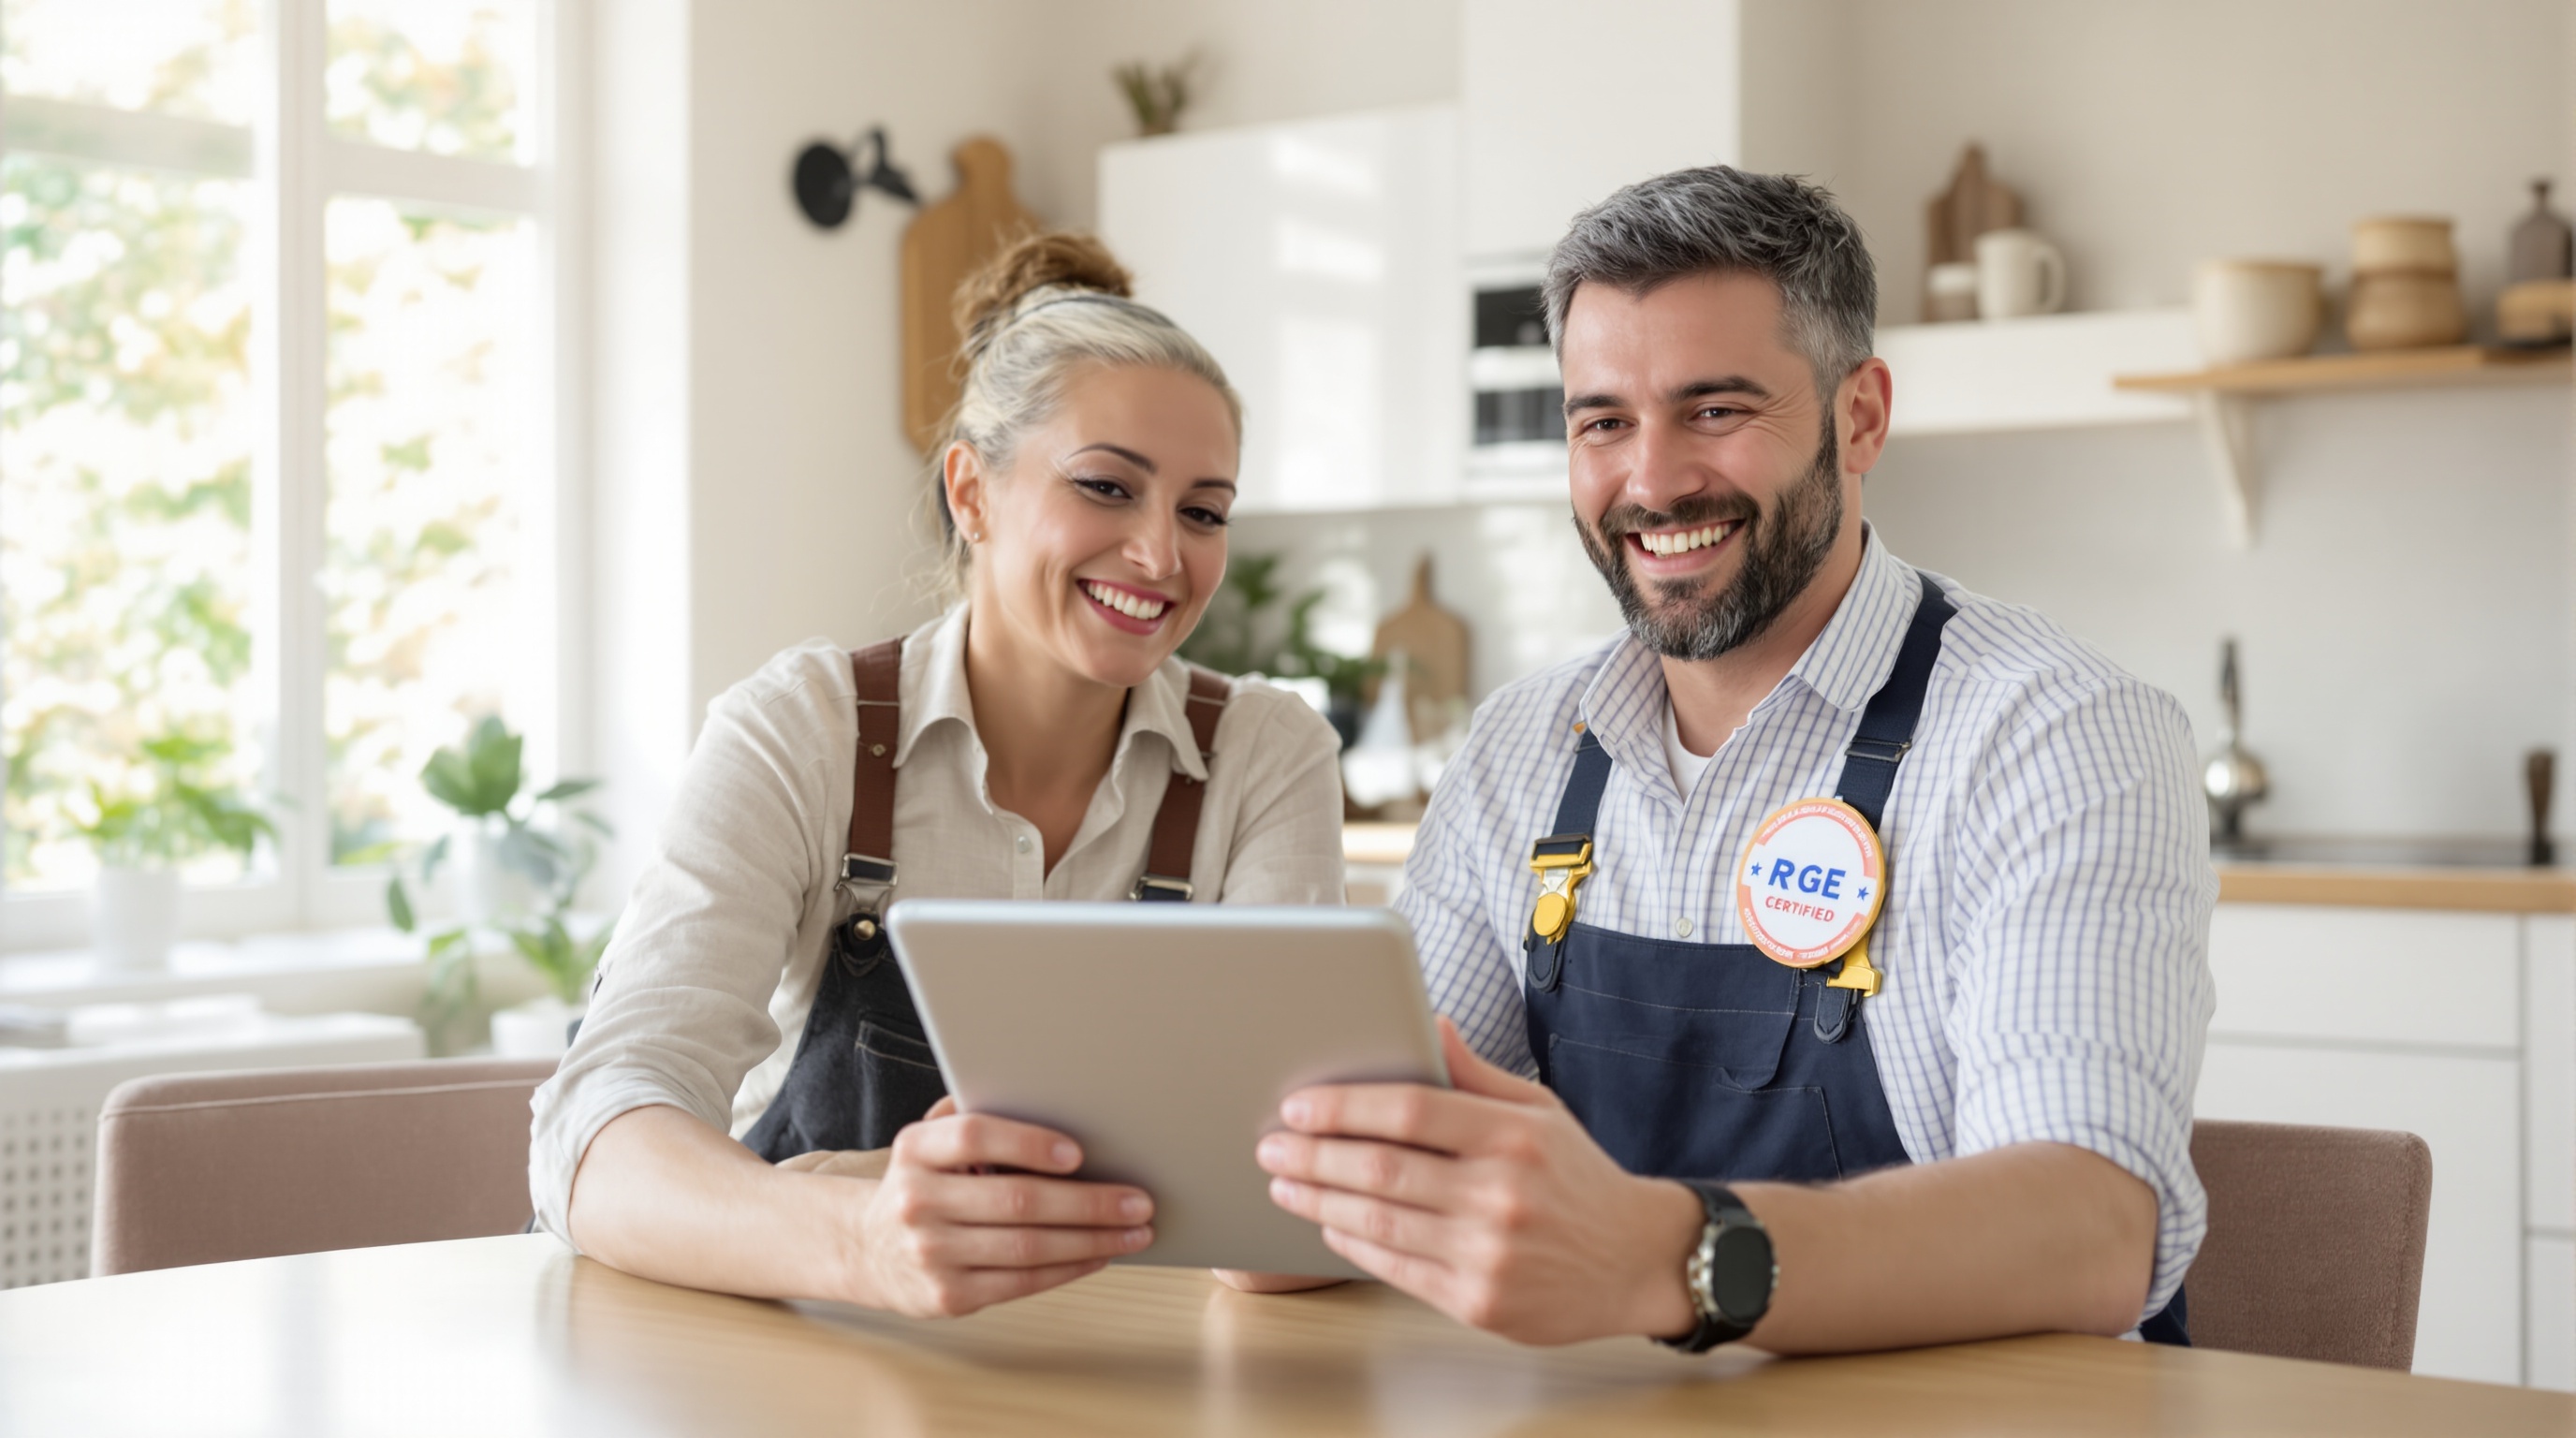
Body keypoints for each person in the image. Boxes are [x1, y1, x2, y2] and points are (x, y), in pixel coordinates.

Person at [1252, 168, 2216, 1354]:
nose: (1651, 481)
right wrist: (1246, 1201)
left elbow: (2086, 1232)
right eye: (1602, 421)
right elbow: (1360, 1166)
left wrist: (1666, 1257)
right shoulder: (1522, 751)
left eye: (1714, 410)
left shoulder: (2053, 735)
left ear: (1858, 417)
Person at [532, 232, 1346, 1317]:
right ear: (972, 491)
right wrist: (859, 1233)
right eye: (1107, 488)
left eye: (1203, 511)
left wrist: (847, 1173)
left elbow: (1288, 1198)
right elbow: (596, 1133)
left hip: (1134, 1372)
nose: (1162, 556)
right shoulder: (805, 731)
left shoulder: (1264, 755)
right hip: (813, 1360)